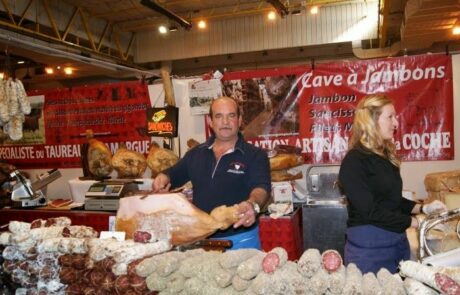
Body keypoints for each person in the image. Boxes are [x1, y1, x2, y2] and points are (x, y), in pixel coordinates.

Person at [338, 93, 447, 274]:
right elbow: (371, 211)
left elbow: (391, 199)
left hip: (396, 244)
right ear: (371, 121)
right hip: (369, 251)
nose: (396, 123)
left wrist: (423, 209)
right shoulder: (354, 161)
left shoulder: (386, 157)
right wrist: (415, 222)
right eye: (390, 117)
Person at [152, 96, 271, 249]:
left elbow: (261, 188)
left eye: (231, 116)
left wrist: (251, 204)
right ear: (210, 121)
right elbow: (174, 174)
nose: (225, 122)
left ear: (240, 120)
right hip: (201, 241)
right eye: (219, 116)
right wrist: (163, 177)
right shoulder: (196, 154)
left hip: (241, 241)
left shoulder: (255, 155)